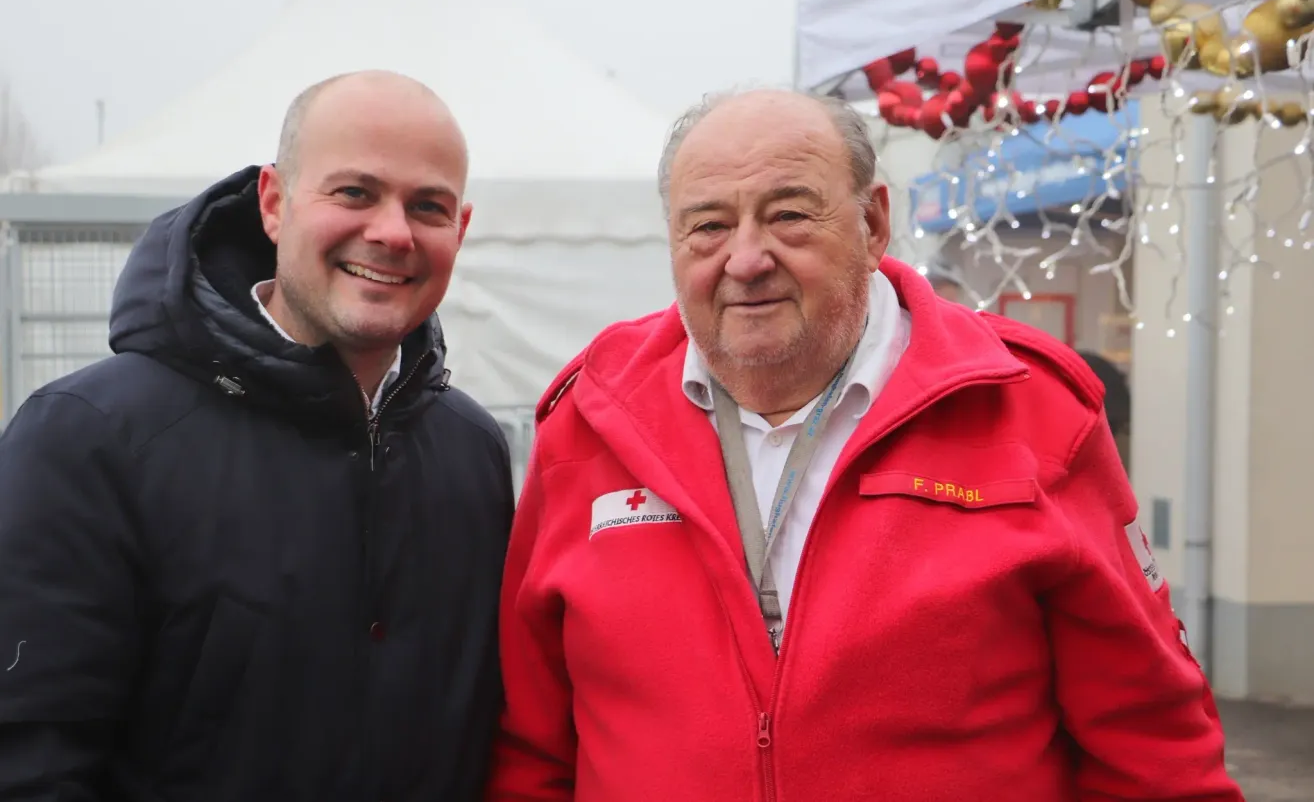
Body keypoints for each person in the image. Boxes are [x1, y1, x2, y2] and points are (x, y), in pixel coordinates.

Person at [486, 88, 1242, 801]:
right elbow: (533, 751)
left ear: (874, 224)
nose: (746, 259)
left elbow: (1152, 742)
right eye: (708, 225)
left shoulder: (1027, 408)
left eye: (788, 215)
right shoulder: (589, 419)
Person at [0, 70, 515, 800]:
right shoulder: (91, 439)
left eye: (426, 206)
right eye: (355, 193)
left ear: (459, 231)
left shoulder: (471, 450)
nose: (392, 232)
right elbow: (30, 762)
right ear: (274, 204)